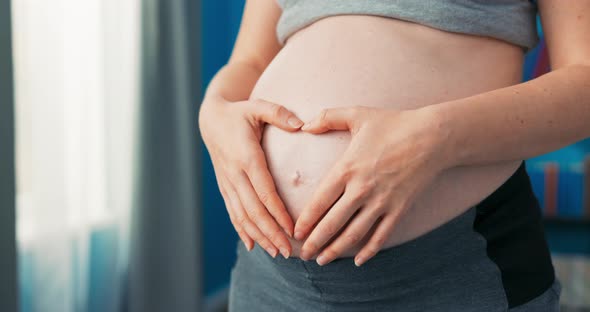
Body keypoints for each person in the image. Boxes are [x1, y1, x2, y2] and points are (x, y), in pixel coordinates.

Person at [199, 1, 590, 310]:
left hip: (451, 272)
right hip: (270, 278)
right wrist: (213, 111)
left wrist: (434, 137)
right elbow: (248, 63)